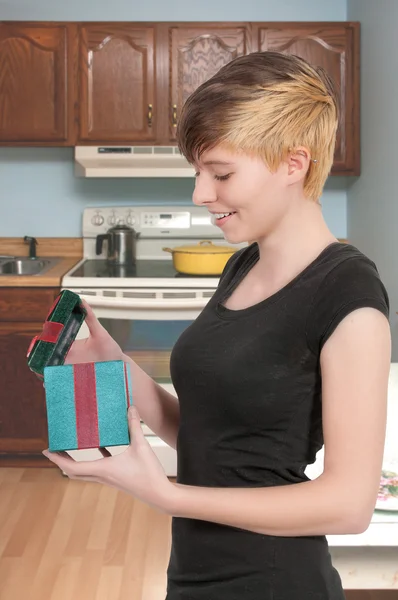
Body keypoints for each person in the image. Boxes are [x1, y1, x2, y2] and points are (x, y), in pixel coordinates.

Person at [44, 51, 392, 599]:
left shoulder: (349, 296)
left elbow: (349, 507)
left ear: (293, 164)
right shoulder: (243, 265)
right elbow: (214, 437)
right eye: (198, 171)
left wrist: (167, 494)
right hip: (196, 573)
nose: (201, 194)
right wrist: (114, 361)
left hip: (274, 581)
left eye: (221, 173)